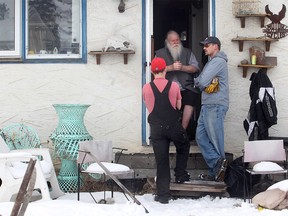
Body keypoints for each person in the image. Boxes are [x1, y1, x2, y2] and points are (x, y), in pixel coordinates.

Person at [143, 57, 191, 204]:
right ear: (165, 70)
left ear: (152, 72)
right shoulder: (174, 86)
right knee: (184, 145)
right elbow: (178, 106)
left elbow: (148, 107)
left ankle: (163, 195)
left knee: (162, 161)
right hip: (173, 127)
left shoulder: (146, 88)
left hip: (157, 129)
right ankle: (180, 174)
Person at [194, 36, 229, 182]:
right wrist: (200, 81)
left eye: (207, 45)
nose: (204, 48)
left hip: (214, 105)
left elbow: (201, 81)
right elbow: (202, 81)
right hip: (208, 104)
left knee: (215, 139)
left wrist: (198, 82)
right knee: (201, 137)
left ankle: (221, 175)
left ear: (216, 46)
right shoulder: (211, 62)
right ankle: (217, 165)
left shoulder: (218, 61)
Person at [155, 30, 200, 130]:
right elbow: (155, 70)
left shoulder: (188, 52)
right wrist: (171, 67)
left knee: (191, 96)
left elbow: (196, 68)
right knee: (165, 101)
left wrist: (182, 67)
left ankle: (182, 130)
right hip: (167, 87)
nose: (176, 42)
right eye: (172, 41)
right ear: (167, 42)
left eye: (177, 40)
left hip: (186, 86)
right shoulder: (159, 53)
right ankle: (170, 129)